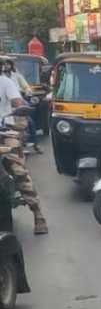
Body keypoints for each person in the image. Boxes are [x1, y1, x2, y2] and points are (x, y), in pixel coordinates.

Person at [0, 66, 47, 235]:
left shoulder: (5, 82)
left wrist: (19, 116)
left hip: (5, 132)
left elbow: (18, 103)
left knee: (18, 170)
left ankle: (38, 214)